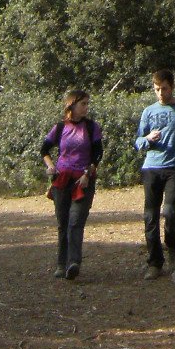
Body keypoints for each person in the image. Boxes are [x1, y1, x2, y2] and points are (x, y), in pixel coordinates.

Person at [135, 68, 175, 279]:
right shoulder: (148, 111)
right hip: (151, 167)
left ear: (172, 87)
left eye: (164, 89)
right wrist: (147, 140)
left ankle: (172, 247)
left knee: (171, 211)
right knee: (150, 215)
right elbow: (138, 141)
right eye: (157, 89)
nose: (161, 93)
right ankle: (154, 262)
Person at [41, 88, 103, 281]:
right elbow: (44, 149)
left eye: (87, 104)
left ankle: (74, 262)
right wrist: (50, 166)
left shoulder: (92, 127)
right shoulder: (60, 128)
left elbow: (98, 153)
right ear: (72, 105)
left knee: (76, 221)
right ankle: (61, 263)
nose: (86, 107)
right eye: (83, 104)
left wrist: (88, 173)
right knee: (63, 223)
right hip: (62, 180)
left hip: (83, 180)